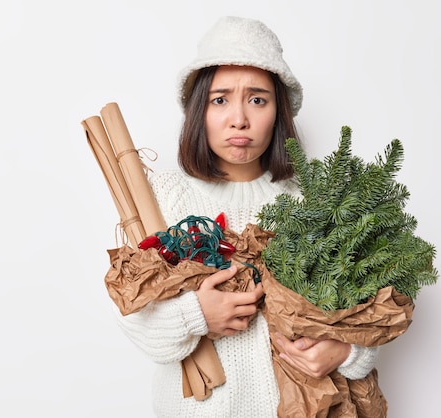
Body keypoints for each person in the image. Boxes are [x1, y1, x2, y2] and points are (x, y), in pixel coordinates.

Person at [113, 16, 379, 417]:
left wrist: (345, 351)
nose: (240, 118)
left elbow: (368, 312)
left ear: (278, 112)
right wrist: (196, 315)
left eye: (257, 99)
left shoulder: (315, 199)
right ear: (199, 110)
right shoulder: (160, 199)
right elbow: (134, 320)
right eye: (220, 99)